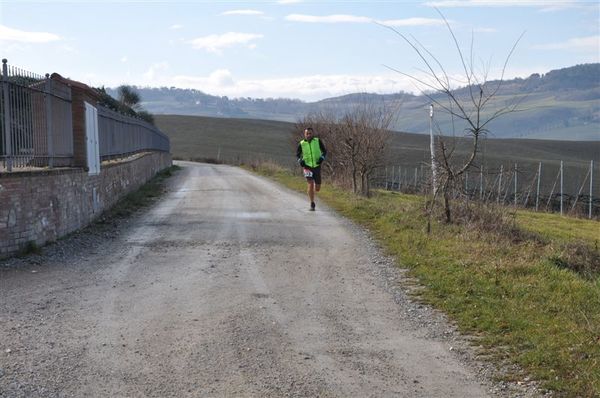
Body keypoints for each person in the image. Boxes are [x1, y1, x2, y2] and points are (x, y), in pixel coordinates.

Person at [296, 127, 327, 211]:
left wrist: (322, 158)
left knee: (317, 188)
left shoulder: (317, 141)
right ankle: (312, 203)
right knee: (310, 183)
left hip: (317, 166)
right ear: (304, 134)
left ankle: (313, 192)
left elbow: (324, 151)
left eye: (310, 133)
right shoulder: (301, 143)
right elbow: (297, 154)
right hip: (307, 166)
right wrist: (300, 161)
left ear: (313, 134)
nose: (309, 135)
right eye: (307, 133)